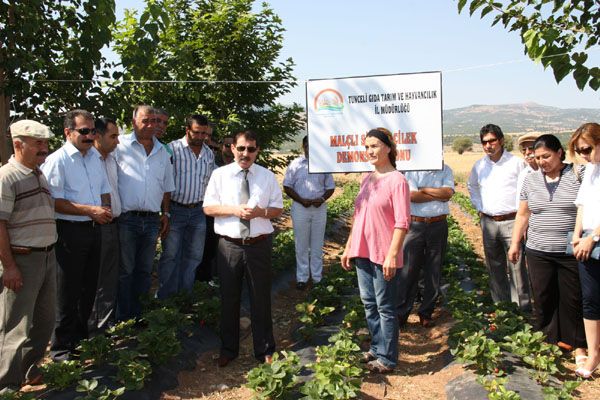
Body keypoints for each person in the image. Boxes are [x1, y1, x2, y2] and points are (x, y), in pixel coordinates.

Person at [203, 130, 283, 367]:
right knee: (229, 298)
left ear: (257, 151)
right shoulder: (220, 175)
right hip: (230, 246)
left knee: (261, 298)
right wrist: (234, 210)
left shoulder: (267, 177)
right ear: (232, 149)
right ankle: (228, 349)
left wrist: (260, 213)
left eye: (250, 149)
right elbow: (208, 208)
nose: (245, 153)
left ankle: (265, 350)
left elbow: (277, 209)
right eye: (241, 148)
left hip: (259, 245)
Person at [508, 134, 586, 366]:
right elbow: (523, 214)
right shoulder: (530, 180)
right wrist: (515, 243)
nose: (541, 161)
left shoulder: (577, 175)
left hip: (569, 251)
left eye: (546, 156)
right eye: (537, 157)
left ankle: (578, 345)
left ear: (560, 153)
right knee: (543, 296)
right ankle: (549, 340)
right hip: (538, 249)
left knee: (572, 297)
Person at [41, 109, 112, 361]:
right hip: (69, 231)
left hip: (94, 230)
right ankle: (61, 350)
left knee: (88, 288)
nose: (90, 136)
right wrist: (89, 210)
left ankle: (80, 343)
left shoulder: (94, 157)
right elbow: (53, 201)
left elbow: (104, 190)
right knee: (67, 292)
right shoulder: (57, 160)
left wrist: (104, 209)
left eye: (93, 131)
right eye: (84, 131)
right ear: (68, 132)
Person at [341, 127, 410, 373]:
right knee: (369, 303)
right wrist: (349, 246)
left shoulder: (398, 181)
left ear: (388, 148)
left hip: (383, 253)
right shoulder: (366, 179)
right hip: (362, 250)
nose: (369, 150)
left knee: (385, 307)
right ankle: (377, 347)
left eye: (375, 146)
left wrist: (392, 255)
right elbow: (358, 216)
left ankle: (388, 358)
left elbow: (402, 222)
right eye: (367, 146)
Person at [0, 120, 56, 390]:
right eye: (38, 144)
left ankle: (30, 371)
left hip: (46, 256)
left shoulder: (37, 173)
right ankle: (6, 386)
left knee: (44, 320)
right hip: (23, 259)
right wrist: (9, 266)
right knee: (15, 326)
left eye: (45, 143)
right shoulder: (7, 176)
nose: (44, 148)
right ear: (18, 144)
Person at [115, 105, 175, 320]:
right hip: (126, 219)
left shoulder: (163, 151)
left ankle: (139, 315)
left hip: (151, 220)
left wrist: (166, 214)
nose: (151, 125)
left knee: (144, 270)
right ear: (133, 121)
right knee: (125, 270)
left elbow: (167, 186)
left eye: (155, 121)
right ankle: (122, 317)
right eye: (146, 120)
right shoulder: (119, 146)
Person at [468, 124, 530, 310]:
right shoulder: (479, 166)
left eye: (492, 141)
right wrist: (480, 207)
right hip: (489, 223)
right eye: (484, 142)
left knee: (517, 268)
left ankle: (523, 310)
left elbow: (525, 192)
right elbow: (472, 187)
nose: (488, 145)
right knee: (494, 267)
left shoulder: (516, 163)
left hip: (512, 221)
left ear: (501, 141)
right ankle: (502, 309)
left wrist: (523, 219)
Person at [157, 115, 215, 298]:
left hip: (198, 211)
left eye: (204, 133)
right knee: (170, 256)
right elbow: (164, 183)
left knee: (194, 256)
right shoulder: (172, 150)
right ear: (187, 130)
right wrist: (165, 212)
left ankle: (184, 296)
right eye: (196, 132)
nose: (200, 137)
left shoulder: (209, 154)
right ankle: (166, 298)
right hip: (176, 209)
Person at [397, 163, 454, 328]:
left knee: (433, 270)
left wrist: (424, 189)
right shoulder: (412, 168)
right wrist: (438, 193)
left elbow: (448, 193)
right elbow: (412, 196)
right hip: (415, 225)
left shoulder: (446, 169)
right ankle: (401, 313)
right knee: (408, 269)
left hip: (438, 224)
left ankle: (426, 312)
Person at [283, 135, 334, 290]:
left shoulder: (323, 163)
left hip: (319, 208)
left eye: (312, 144)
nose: (309, 147)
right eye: (306, 144)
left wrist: (322, 199)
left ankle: (317, 278)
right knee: (301, 244)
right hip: (300, 207)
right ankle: (302, 278)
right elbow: (287, 186)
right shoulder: (295, 164)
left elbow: (330, 187)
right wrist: (300, 200)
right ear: (303, 146)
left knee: (318, 244)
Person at [569, 122, 600, 378]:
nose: (583, 155)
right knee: (590, 299)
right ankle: (593, 354)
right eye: (580, 151)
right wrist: (578, 235)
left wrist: (595, 237)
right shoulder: (590, 170)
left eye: (587, 149)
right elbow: (581, 205)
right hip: (588, 241)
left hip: (596, 239)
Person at [89, 117, 121, 334]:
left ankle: (105, 326)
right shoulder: (88, 160)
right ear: (97, 136)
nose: (118, 141)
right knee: (94, 279)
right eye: (113, 136)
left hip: (114, 224)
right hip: (94, 226)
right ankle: (91, 328)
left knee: (110, 278)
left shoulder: (111, 159)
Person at [515, 133, 541, 208]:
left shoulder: (556, 170)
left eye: (531, 148)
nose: (527, 152)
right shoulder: (524, 174)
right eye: (524, 150)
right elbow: (519, 204)